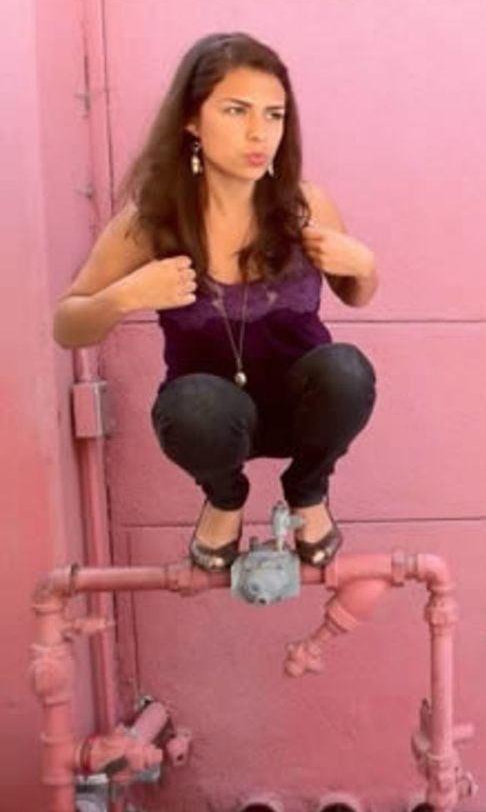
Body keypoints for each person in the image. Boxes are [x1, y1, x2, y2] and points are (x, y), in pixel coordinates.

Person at [52, 32, 378, 571]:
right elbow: (68, 324)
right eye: (236, 111)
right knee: (195, 403)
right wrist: (126, 295)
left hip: (303, 407)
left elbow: (355, 294)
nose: (259, 132)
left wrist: (365, 265)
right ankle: (225, 499)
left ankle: (309, 490)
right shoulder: (152, 222)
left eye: (274, 115)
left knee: (347, 369)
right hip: (213, 423)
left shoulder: (306, 205)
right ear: (191, 120)